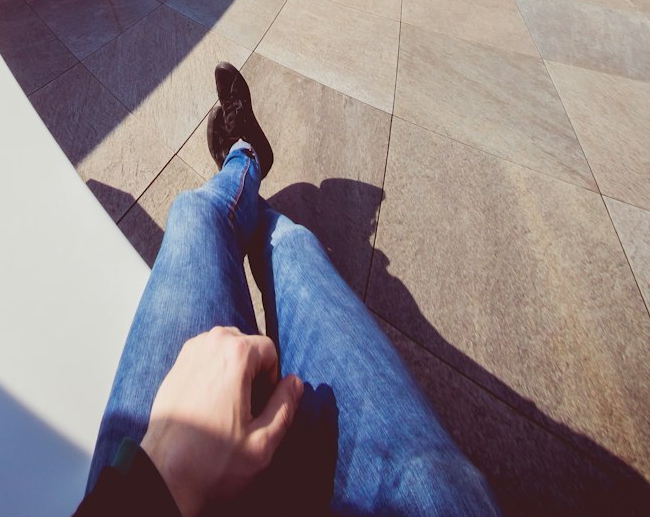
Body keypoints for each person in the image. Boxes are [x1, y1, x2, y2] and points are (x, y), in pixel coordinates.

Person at [73, 63, 501, 517]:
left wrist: (157, 482)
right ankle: (245, 163)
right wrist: (172, 475)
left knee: (198, 214)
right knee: (283, 246)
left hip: (137, 488)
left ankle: (243, 171)